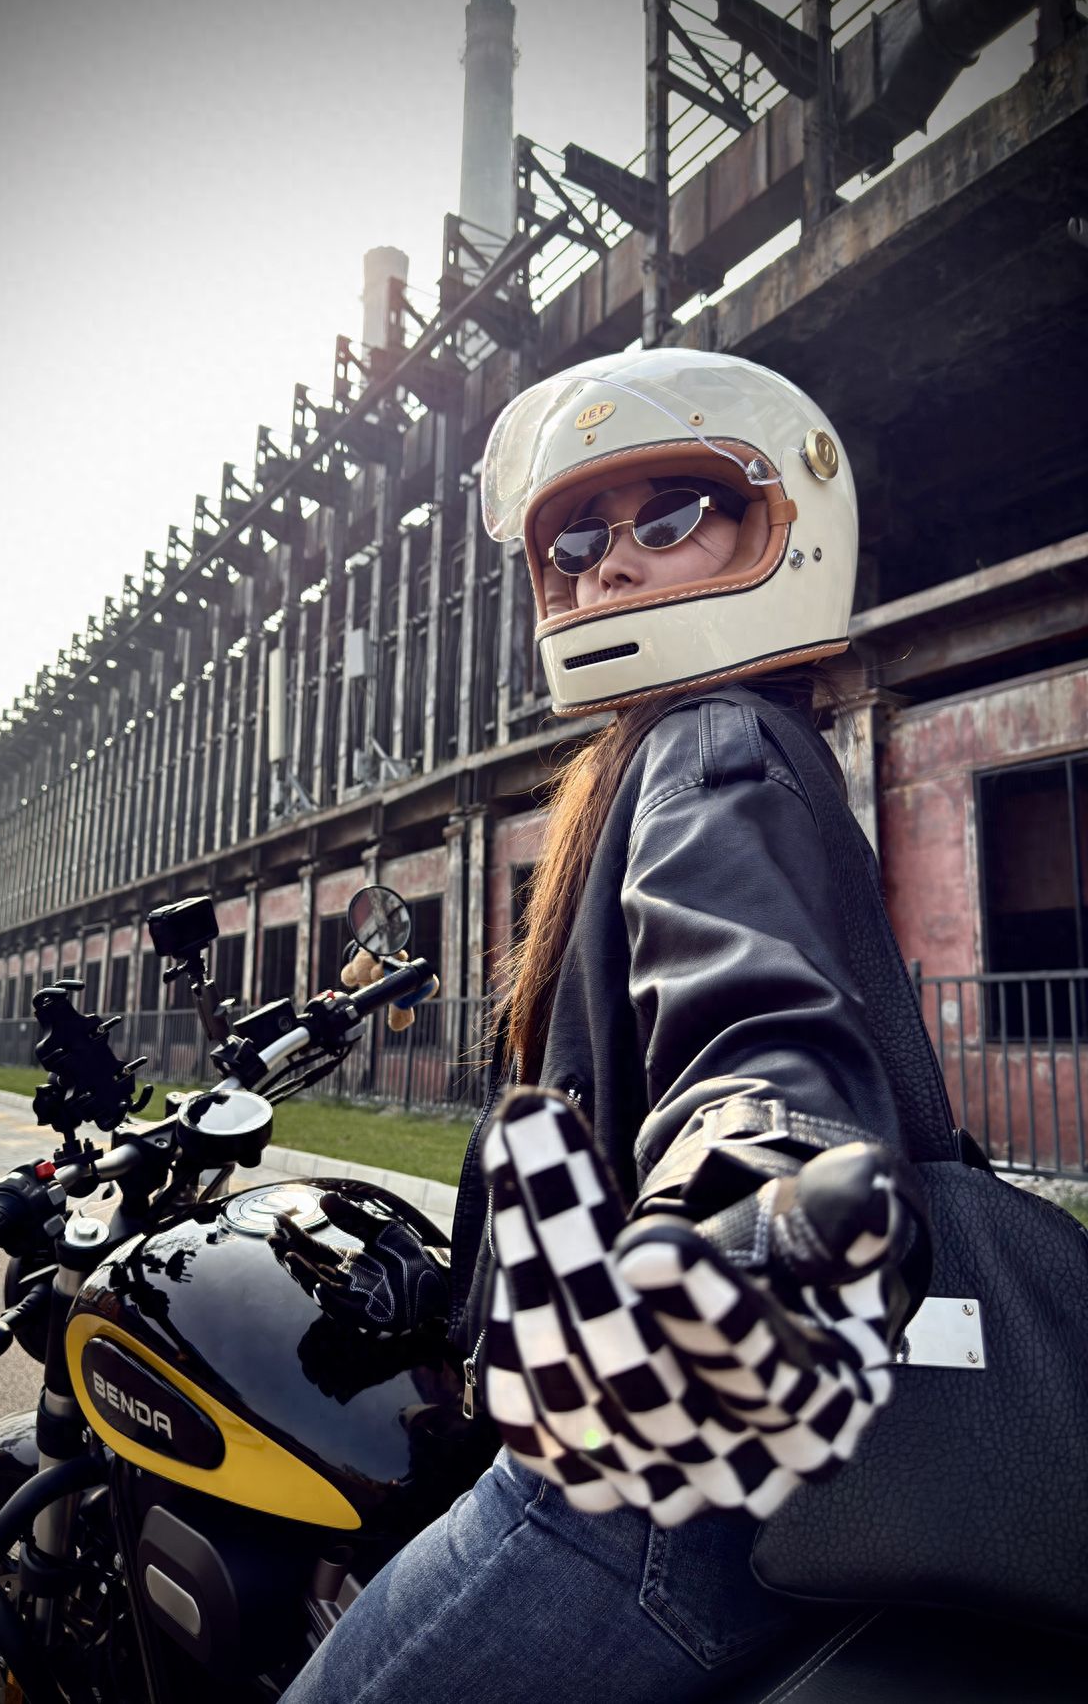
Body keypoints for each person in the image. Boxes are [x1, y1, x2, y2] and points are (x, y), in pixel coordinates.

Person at [276, 348, 927, 1703]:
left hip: (636, 1489)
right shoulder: (666, 756)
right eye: (574, 536)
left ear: (782, 527)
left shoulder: (713, 744)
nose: (606, 567)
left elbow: (753, 1025)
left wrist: (743, 1196)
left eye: (672, 514)